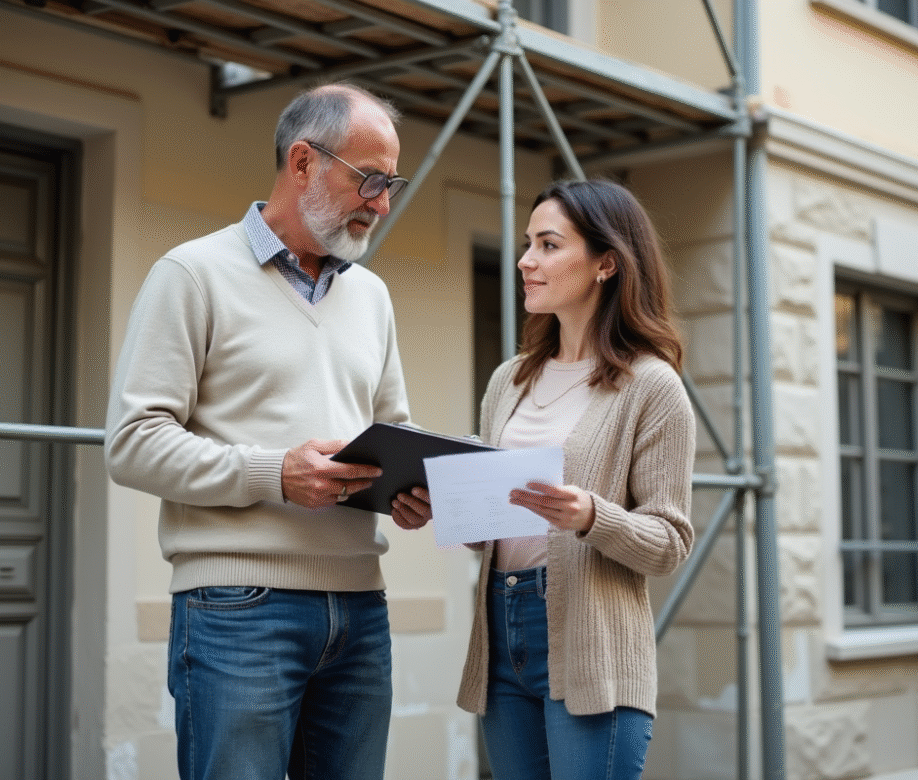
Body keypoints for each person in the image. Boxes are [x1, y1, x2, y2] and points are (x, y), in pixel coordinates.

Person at [104, 82, 431, 780]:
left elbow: (391, 430)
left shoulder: (372, 296)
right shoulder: (190, 274)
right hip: (236, 609)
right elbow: (132, 443)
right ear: (304, 162)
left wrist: (410, 488)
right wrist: (275, 474)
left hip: (361, 609)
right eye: (370, 179)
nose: (382, 203)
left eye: (391, 184)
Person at [456, 179, 697, 780]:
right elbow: (500, 524)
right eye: (527, 244)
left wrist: (591, 516)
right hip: (500, 628)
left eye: (548, 245)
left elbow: (670, 542)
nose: (525, 261)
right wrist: (454, 509)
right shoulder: (509, 380)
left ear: (605, 264)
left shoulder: (651, 385)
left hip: (594, 646)